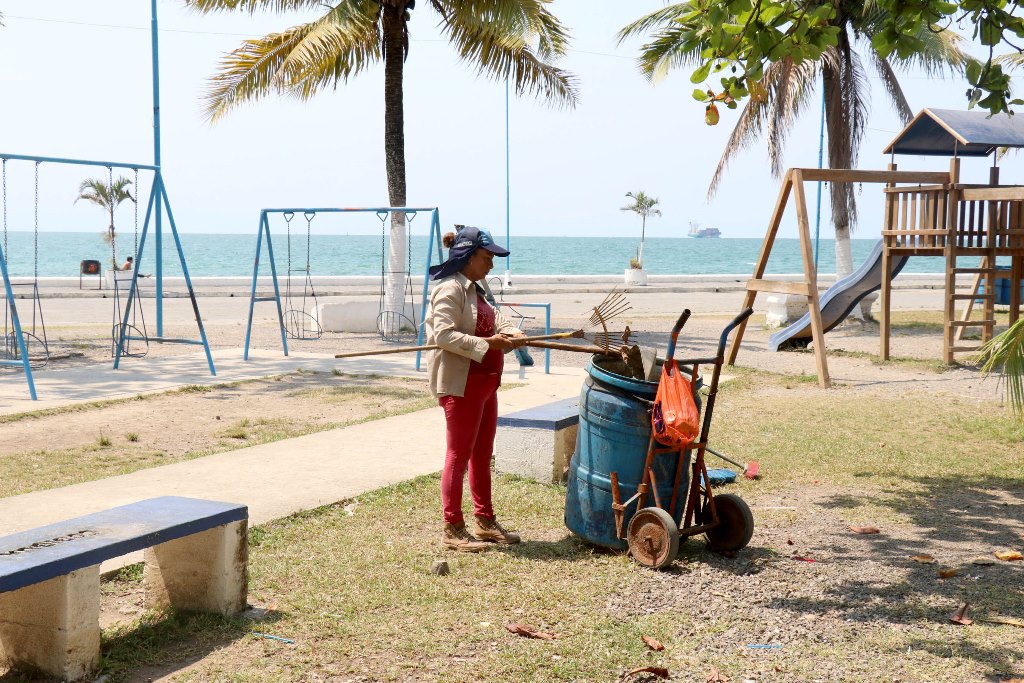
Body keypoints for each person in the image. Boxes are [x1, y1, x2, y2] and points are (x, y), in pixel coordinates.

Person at [425, 225, 526, 552]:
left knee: (482, 454)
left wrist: (513, 332)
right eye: (487, 258)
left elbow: (496, 318)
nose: (491, 264)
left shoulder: (477, 287)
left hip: (486, 383)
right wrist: (489, 343)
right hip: (461, 384)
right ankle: (452, 527)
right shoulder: (449, 289)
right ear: (468, 257)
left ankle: (484, 521)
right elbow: (442, 335)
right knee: (459, 455)